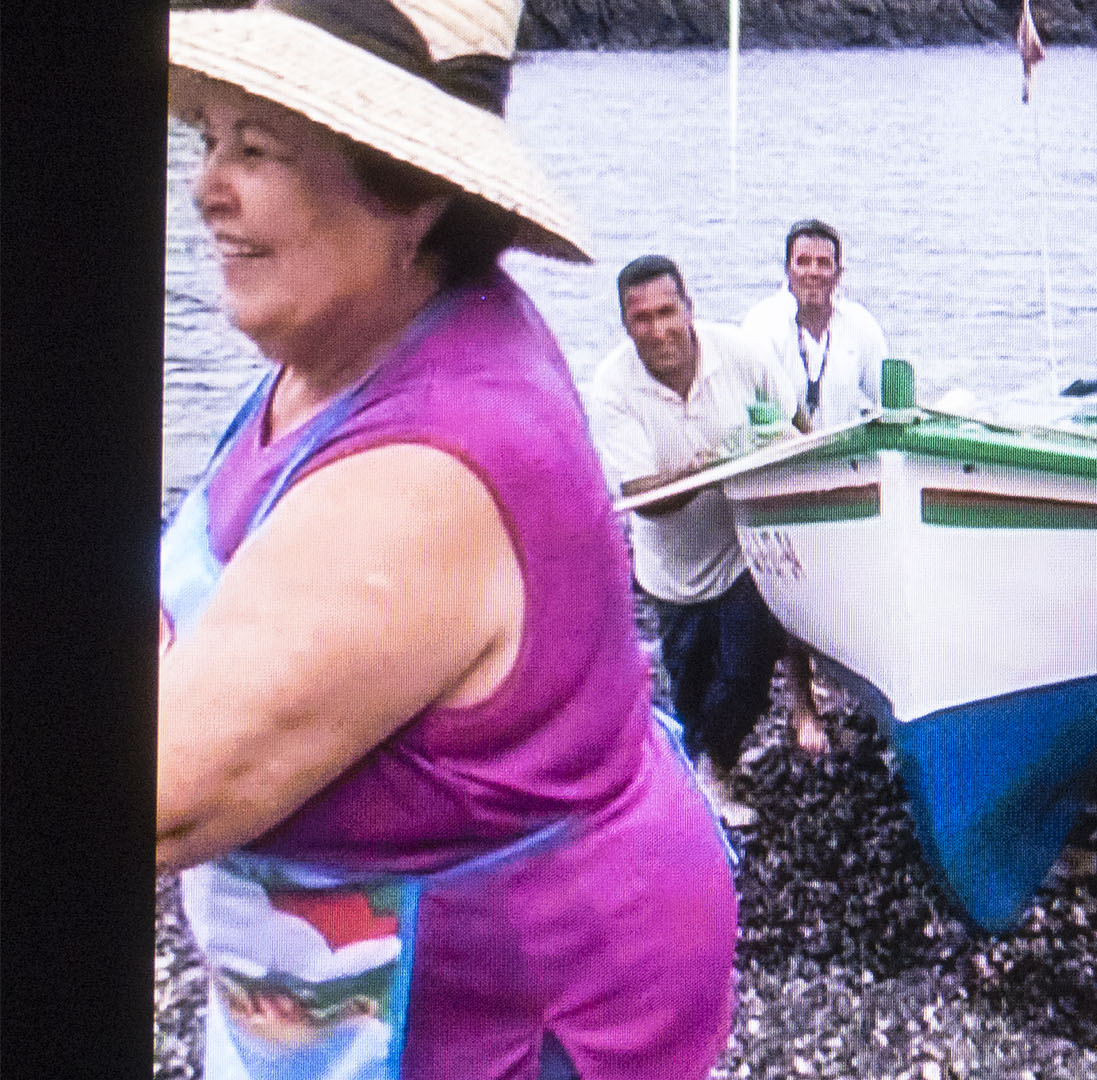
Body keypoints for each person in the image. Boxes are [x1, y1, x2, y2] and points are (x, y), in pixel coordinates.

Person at [157, 3, 737, 1078]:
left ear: (414, 194)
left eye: (259, 149)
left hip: (519, 1016)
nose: (206, 188)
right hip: (341, 993)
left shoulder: (439, 467)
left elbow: (165, 790)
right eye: (208, 140)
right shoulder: (341, 347)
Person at [587, 255, 799, 828]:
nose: (657, 330)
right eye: (641, 319)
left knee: (750, 667)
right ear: (626, 325)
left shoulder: (740, 351)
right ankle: (691, 771)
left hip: (744, 550)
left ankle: (716, 771)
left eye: (666, 311)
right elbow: (645, 498)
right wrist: (711, 463)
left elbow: (797, 421)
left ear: (689, 307)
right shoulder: (611, 388)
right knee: (692, 684)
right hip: (670, 569)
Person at [740, 218, 890, 754]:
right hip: (784, 478)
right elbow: (750, 409)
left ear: (839, 270)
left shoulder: (862, 329)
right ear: (786, 269)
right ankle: (803, 704)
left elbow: (885, 405)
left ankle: (867, 689)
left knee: (856, 589)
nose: (812, 272)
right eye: (802, 262)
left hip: (846, 479)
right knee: (794, 595)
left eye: (823, 262)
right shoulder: (760, 327)